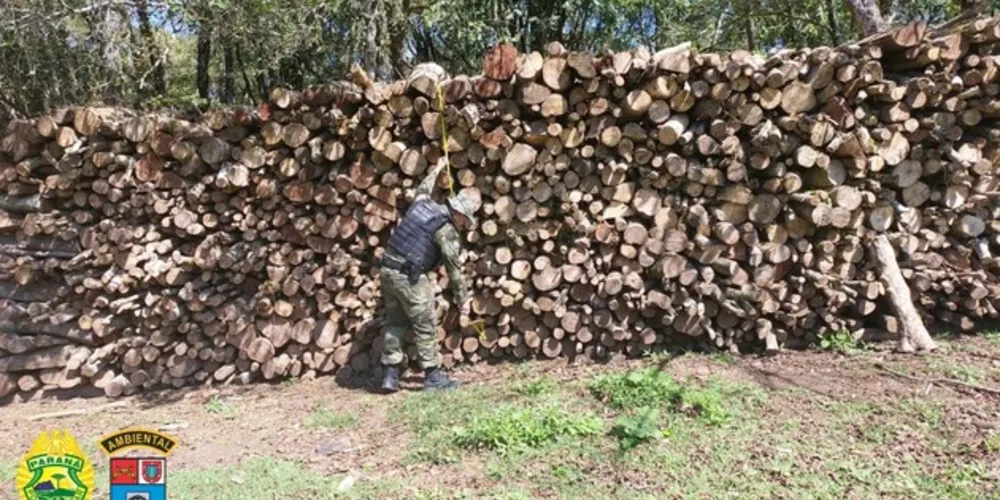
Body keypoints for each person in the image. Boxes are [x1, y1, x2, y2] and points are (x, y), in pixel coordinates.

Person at [376, 159, 476, 392]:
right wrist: (463, 302)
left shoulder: (423, 204)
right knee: (425, 324)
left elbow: (423, 187)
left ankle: (390, 376)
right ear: (459, 215)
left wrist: (438, 167)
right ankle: (432, 376)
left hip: (387, 270)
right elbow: (454, 270)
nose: (464, 226)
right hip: (409, 277)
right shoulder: (446, 230)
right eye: (465, 221)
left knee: (395, 322)